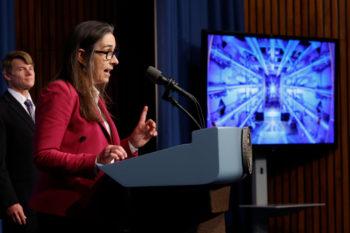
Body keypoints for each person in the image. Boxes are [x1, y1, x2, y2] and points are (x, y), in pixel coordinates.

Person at [29, 20, 157, 233]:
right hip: (65, 214)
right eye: (107, 52)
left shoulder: (95, 99)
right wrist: (95, 160)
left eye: (115, 53)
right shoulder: (60, 91)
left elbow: (107, 159)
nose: (114, 61)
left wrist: (132, 144)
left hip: (96, 210)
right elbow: (43, 155)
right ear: (81, 56)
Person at [0, 51, 38, 233]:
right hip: (20, 205)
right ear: (7, 75)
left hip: (45, 200)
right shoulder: (2, 109)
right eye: (22, 69)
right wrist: (10, 201)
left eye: (31, 68)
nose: (29, 73)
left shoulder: (41, 108)